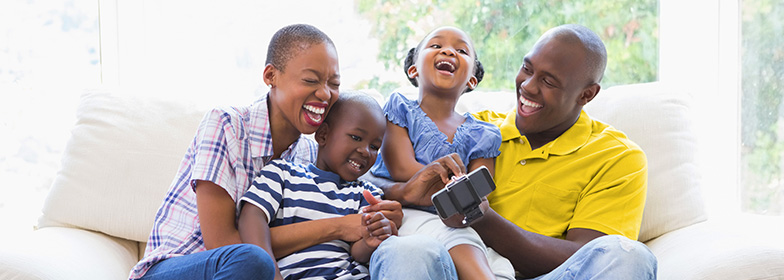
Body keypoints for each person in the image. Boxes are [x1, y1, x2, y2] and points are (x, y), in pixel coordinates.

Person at [368, 24, 658, 279]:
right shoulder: (477, 129)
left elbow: (588, 255)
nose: (527, 87)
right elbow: (369, 176)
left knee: (628, 255)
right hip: (451, 269)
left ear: (587, 95)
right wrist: (403, 191)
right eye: (527, 69)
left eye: (548, 81)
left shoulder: (617, 156)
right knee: (407, 250)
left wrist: (481, 218)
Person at [129, 24, 367, 280]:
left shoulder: (310, 154)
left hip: (254, 271)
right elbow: (224, 244)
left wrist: (395, 201)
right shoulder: (226, 125)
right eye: (310, 80)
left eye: (334, 83)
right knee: (252, 259)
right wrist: (338, 226)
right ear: (270, 76)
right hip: (177, 267)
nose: (324, 93)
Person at [368, 26, 512, 279]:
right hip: (406, 211)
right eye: (436, 46)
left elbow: (481, 187)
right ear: (413, 69)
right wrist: (454, 187)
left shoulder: (484, 134)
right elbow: (400, 169)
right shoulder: (400, 109)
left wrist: (467, 203)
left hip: (454, 220)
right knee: (462, 245)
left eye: (461, 50)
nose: (448, 51)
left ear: (472, 81)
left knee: (494, 261)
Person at [238, 92, 400, 280]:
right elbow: (250, 218)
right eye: (356, 137)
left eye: (374, 147)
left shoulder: (366, 193)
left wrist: (373, 239)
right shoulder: (282, 174)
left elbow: (358, 253)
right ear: (323, 135)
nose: (365, 151)